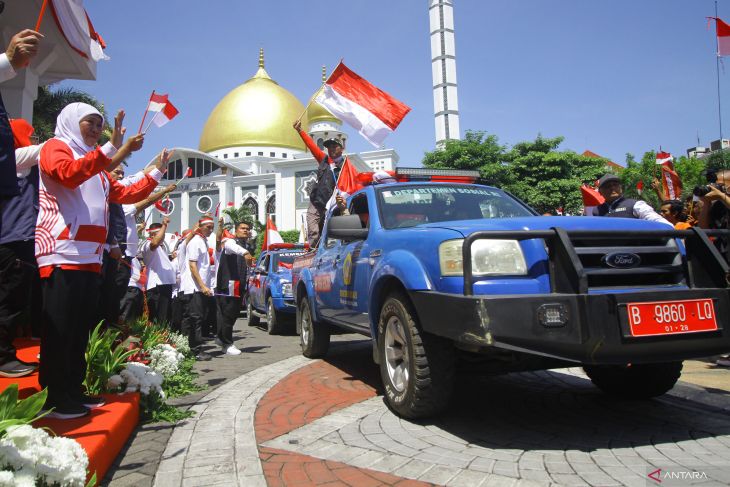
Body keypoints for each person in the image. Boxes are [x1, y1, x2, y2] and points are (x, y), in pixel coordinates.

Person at [36, 102, 166, 419]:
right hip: (62, 252)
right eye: (89, 123)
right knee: (61, 328)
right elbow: (67, 175)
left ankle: (73, 389)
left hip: (90, 260)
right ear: (70, 122)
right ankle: (54, 397)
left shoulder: (97, 167)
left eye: (99, 125)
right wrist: (111, 147)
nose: (95, 130)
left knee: (80, 328)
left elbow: (125, 192)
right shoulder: (57, 147)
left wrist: (158, 172)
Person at [0, 30, 44, 378]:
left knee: (15, 301)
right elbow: (43, 150)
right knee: (7, 301)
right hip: (10, 239)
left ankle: (7, 353)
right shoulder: (17, 156)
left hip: (22, 238)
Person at [292, 120, 347, 246]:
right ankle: (312, 254)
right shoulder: (324, 159)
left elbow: (358, 180)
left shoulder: (346, 166)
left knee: (330, 234)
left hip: (332, 205)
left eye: (334, 146)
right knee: (313, 231)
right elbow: (312, 146)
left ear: (342, 148)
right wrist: (300, 131)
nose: (331, 149)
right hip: (316, 202)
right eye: (329, 147)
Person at [213, 218, 254, 355]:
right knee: (228, 313)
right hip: (229, 283)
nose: (246, 231)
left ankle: (220, 337)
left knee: (233, 313)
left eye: (247, 229)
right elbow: (232, 248)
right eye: (242, 228)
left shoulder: (246, 245)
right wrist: (245, 253)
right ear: (236, 231)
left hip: (240, 284)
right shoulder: (231, 242)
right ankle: (227, 343)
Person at [180, 216, 215, 360]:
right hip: (194, 288)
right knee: (195, 319)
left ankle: (189, 348)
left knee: (195, 318)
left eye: (212, 227)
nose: (211, 230)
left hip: (199, 288)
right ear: (200, 227)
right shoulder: (195, 242)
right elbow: (192, 266)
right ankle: (195, 349)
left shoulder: (202, 241)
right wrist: (202, 286)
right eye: (208, 227)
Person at [593, 174, 671, 225]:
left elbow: (660, 222)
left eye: (615, 185)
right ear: (600, 191)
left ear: (621, 188)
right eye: (607, 186)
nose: (612, 188)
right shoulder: (596, 210)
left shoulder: (636, 205)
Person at [142, 219, 177, 324]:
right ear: (152, 234)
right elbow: (155, 243)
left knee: (165, 317)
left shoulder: (162, 248)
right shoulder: (147, 244)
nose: (162, 236)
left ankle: (164, 338)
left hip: (165, 285)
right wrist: (164, 226)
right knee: (158, 318)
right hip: (156, 286)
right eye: (159, 233)